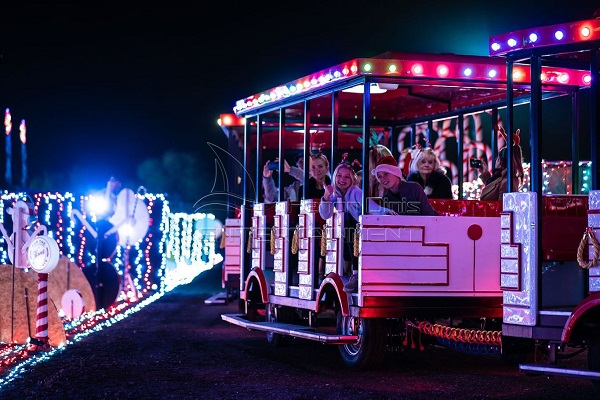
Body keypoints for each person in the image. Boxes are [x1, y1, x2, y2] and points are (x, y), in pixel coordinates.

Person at [319, 163, 362, 280]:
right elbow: (325, 215)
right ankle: (323, 270)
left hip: (356, 231)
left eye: (347, 177)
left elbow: (368, 206)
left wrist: (384, 211)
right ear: (334, 177)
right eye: (339, 175)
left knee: (350, 230)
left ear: (352, 179)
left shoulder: (355, 191)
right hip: (338, 234)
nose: (342, 179)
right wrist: (326, 198)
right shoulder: (333, 195)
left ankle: (356, 272)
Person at [369, 155, 438, 217]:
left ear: (395, 173)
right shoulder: (385, 199)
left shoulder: (414, 188)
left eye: (386, 174)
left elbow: (429, 215)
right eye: (379, 176)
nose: (382, 179)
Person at [476, 128, 524, 201]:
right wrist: (485, 173)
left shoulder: (507, 182)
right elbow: (494, 189)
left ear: (500, 161)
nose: (495, 161)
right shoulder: (503, 178)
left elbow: (501, 208)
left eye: (497, 158)